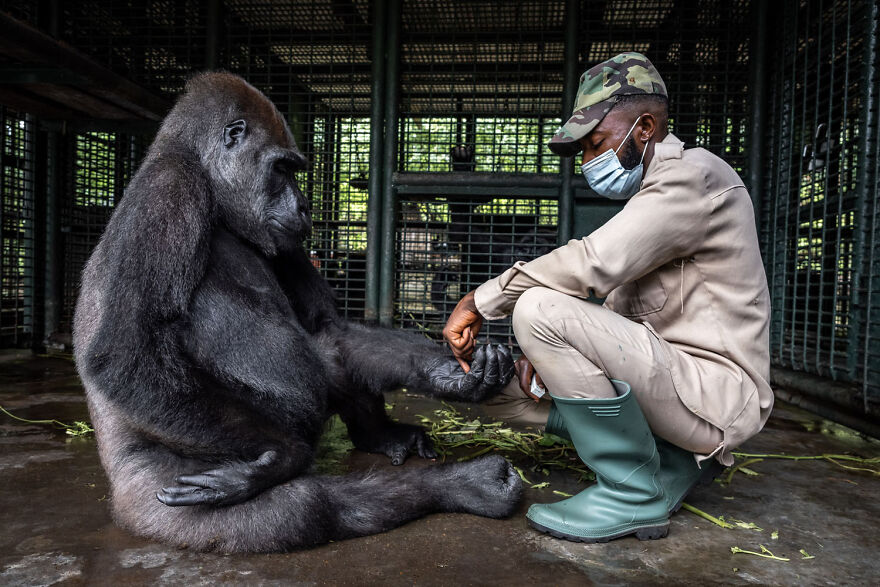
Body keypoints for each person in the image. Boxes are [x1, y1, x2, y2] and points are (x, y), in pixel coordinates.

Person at [442, 52, 772, 543]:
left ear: (643, 128)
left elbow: (592, 263)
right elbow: (617, 312)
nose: (591, 161)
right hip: (671, 383)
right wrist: (550, 359)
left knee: (538, 308)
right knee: (500, 391)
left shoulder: (692, 177)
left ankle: (633, 494)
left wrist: (479, 300)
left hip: (714, 395)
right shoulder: (650, 196)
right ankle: (670, 461)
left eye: (597, 143)